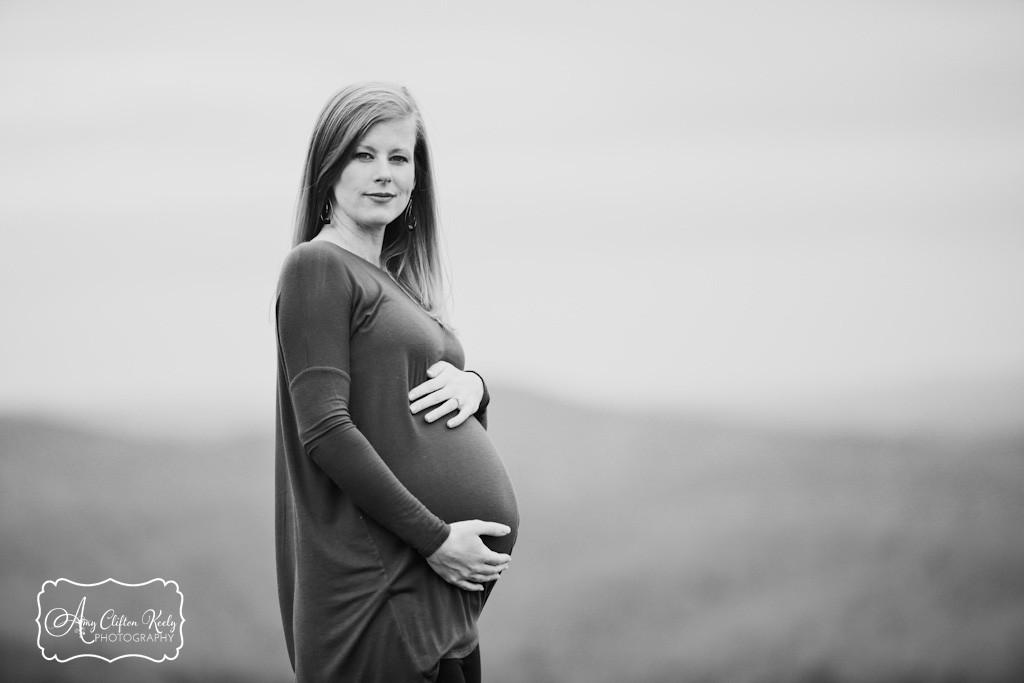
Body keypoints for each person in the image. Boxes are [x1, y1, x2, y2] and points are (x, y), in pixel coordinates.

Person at [273, 82, 520, 683]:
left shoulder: (396, 284)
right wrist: (435, 538)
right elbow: (326, 431)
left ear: (416, 178)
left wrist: (476, 387)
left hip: (436, 601)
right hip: (382, 595)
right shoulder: (318, 267)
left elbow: (415, 408)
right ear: (328, 167)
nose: (383, 173)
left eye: (398, 157)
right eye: (364, 155)